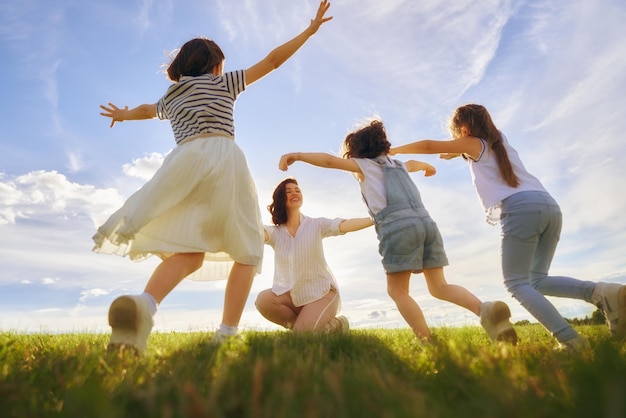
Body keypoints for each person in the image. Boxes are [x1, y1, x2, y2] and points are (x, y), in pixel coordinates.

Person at [94, 1, 333, 353]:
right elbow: (272, 61)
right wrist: (308, 32)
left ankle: (145, 305)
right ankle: (226, 332)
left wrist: (124, 115)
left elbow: (147, 110)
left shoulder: (172, 95)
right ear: (216, 65)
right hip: (223, 160)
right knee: (248, 251)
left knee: (190, 251)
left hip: (184, 162)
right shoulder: (224, 83)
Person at [389, 103, 626, 350]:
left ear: (465, 129)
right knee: (536, 279)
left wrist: (395, 150)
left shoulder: (473, 143)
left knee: (516, 282)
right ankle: (603, 292)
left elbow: (429, 146)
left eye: (455, 135)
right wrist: (454, 152)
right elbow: (474, 153)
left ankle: (570, 341)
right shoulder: (499, 141)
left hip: (520, 209)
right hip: (548, 206)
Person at [278, 120, 518, 344]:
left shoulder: (365, 165)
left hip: (397, 228)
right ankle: (484, 309)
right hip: (427, 225)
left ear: (357, 152)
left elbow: (329, 161)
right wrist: (426, 166)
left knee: (397, 291)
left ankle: (427, 340)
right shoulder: (398, 164)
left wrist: (298, 155)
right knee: (439, 286)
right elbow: (413, 164)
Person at [256, 178, 373, 333]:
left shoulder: (315, 224)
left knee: (301, 338)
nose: (294, 193)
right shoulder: (275, 233)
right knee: (263, 301)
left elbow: (343, 225)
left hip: (321, 293)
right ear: (281, 199)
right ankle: (311, 328)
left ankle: (338, 324)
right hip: (293, 295)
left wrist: (374, 219)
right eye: (288, 191)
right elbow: (257, 234)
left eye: (297, 190)